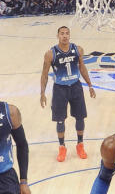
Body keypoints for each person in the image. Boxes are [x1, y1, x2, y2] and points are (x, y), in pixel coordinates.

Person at [40, 26, 96, 162]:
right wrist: (42, 93)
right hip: (60, 88)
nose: (64, 36)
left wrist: (90, 85)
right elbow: (44, 74)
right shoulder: (50, 53)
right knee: (60, 119)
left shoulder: (78, 49)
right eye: (62, 34)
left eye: (67, 33)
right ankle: (62, 147)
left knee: (80, 117)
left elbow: (82, 68)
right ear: (57, 35)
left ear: (69, 35)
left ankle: (80, 144)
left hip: (76, 86)